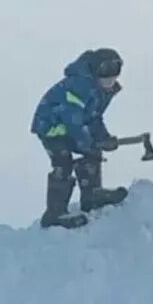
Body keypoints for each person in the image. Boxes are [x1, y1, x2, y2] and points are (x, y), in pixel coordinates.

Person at [30, 48, 129, 228]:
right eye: (105, 70)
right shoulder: (79, 84)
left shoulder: (102, 91)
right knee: (62, 161)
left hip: (73, 126)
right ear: (94, 69)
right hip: (52, 127)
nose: (110, 77)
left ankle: (91, 195)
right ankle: (55, 213)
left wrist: (104, 138)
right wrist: (86, 142)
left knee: (92, 152)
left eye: (115, 71)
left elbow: (93, 117)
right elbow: (72, 118)